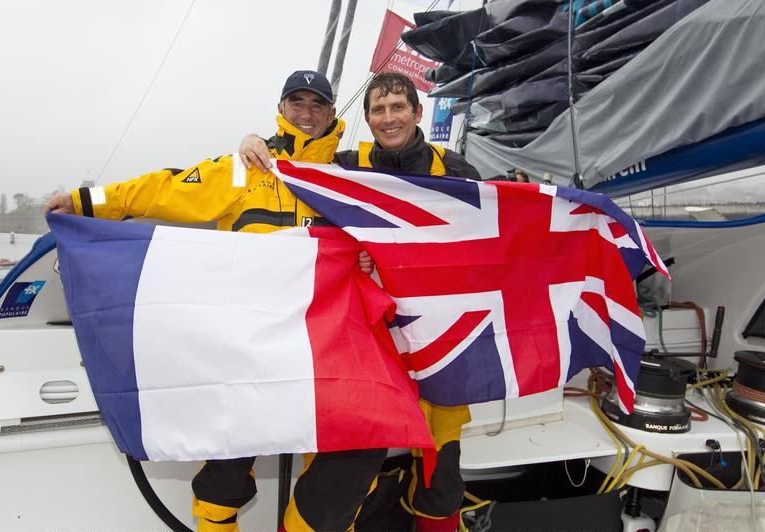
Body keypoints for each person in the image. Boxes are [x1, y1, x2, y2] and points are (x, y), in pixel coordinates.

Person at [45, 70, 387, 532]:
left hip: (322, 344)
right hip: (248, 342)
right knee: (224, 468)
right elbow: (163, 188)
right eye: (297, 103)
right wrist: (86, 202)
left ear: (331, 112)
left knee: (356, 450)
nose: (306, 114)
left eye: (316, 105)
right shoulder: (246, 166)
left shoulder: (349, 175)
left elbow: (405, 204)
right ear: (281, 109)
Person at [239, 71, 480, 532]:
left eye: (398, 107)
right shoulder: (345, 166)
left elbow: (488, 243)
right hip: (366, 338)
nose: (388, 118)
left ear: (417, 111)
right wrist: (255, 140)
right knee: (343, 470)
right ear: (367, 119)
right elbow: (294, 160)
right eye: (378, 110)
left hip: (437, 336)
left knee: (441, 476)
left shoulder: (457, 172)